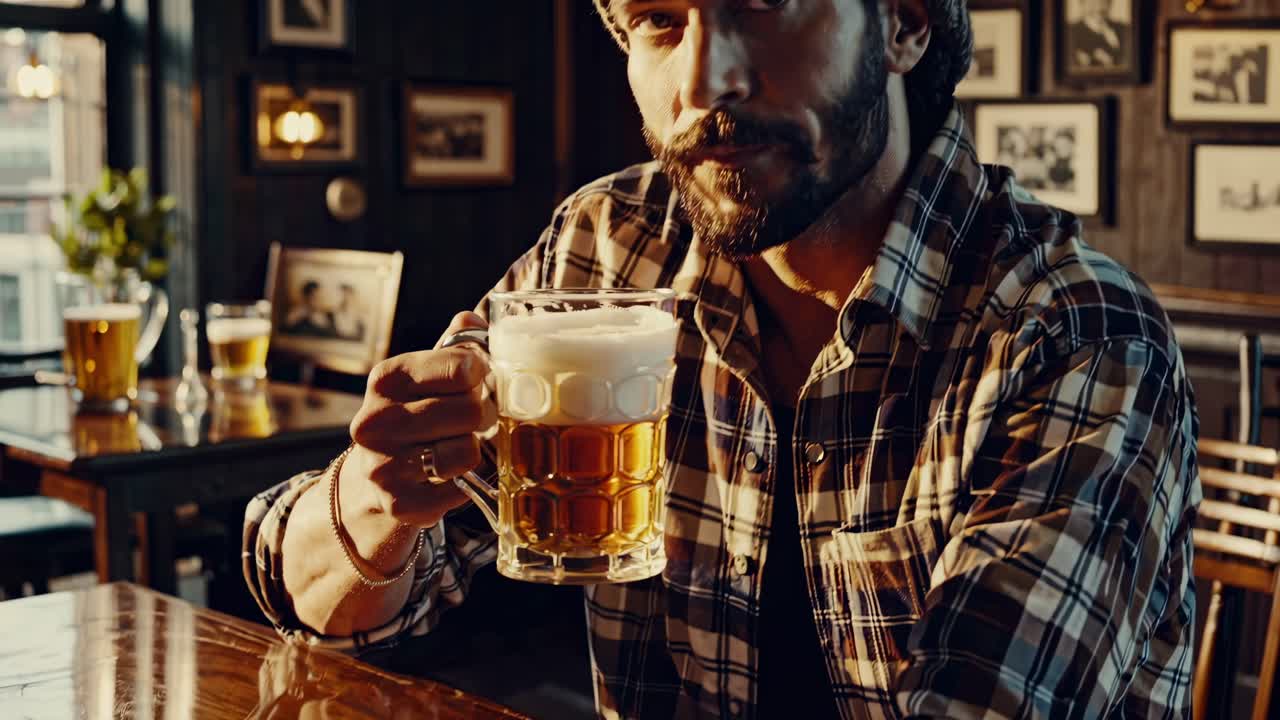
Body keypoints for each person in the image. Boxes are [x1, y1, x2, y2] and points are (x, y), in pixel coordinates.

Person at [244, 1, 1200, 718]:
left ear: (905, 22)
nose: (705, 80)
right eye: (659, 20)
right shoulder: (609, 250)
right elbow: (299, 587)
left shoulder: (1072, 335)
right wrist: (381, 504)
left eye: (761, 4)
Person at [1068, 0, 1130, 70]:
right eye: (1092, 3)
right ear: (1082, 4)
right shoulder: (1071, 33)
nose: (1099, 7)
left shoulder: (1123, 29)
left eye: (1103, 2)